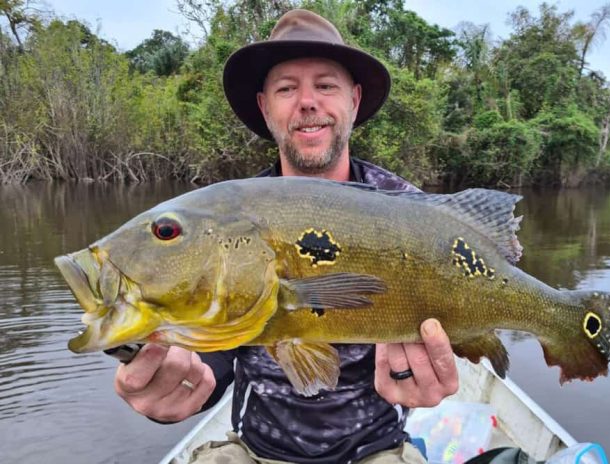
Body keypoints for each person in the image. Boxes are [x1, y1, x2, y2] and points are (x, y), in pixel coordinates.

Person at [114, 9, 458, 464]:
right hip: (255, 450)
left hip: (376, 448)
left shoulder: (408, 209)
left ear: (354, 100)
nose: (308, 101)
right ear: (264, 107)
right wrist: (178, 384)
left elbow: (462, 313)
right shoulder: (232, 218)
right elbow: (215, 356)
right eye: (286, 88)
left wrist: (431, 374)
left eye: (326, 85)